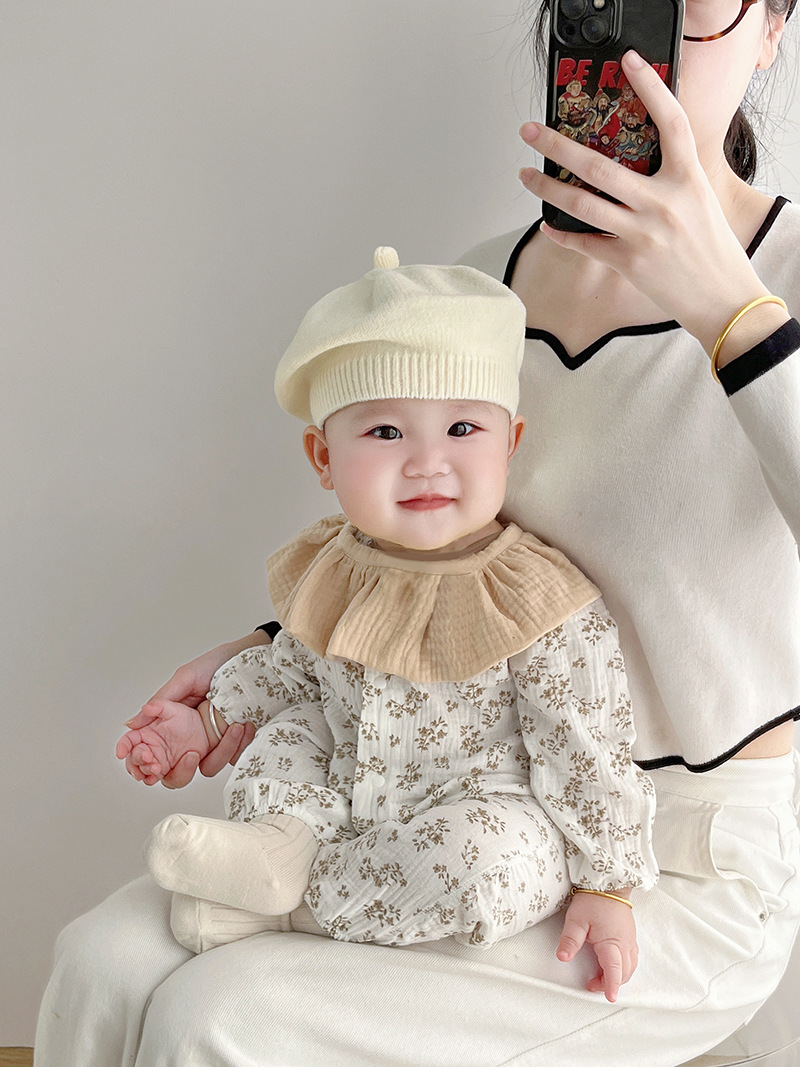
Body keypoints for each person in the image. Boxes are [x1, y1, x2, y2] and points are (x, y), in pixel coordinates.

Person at [35, 2, 800, 1064]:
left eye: (694, 8)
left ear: (772, 27)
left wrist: (724, 305)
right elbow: (444, 555)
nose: (645, 43)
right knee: (99, 961)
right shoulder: (477, 290)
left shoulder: (784, 275)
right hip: (437, 777)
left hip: (678, 860)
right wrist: (272, 649)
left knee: (223, 1016)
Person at [122, 248, 656, 990]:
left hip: (475, 802)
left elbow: (585, 744)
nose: (427, 462)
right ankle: (280, 844)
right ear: (323, 457)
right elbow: (290, 666)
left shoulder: (536, 595)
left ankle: (288, 906)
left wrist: (608, 881)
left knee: (493, 862)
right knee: (288, 736)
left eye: (462, 428)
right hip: (341, 788)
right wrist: (207, 720)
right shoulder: (335, 564)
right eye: (385, 433)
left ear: (511, 443)